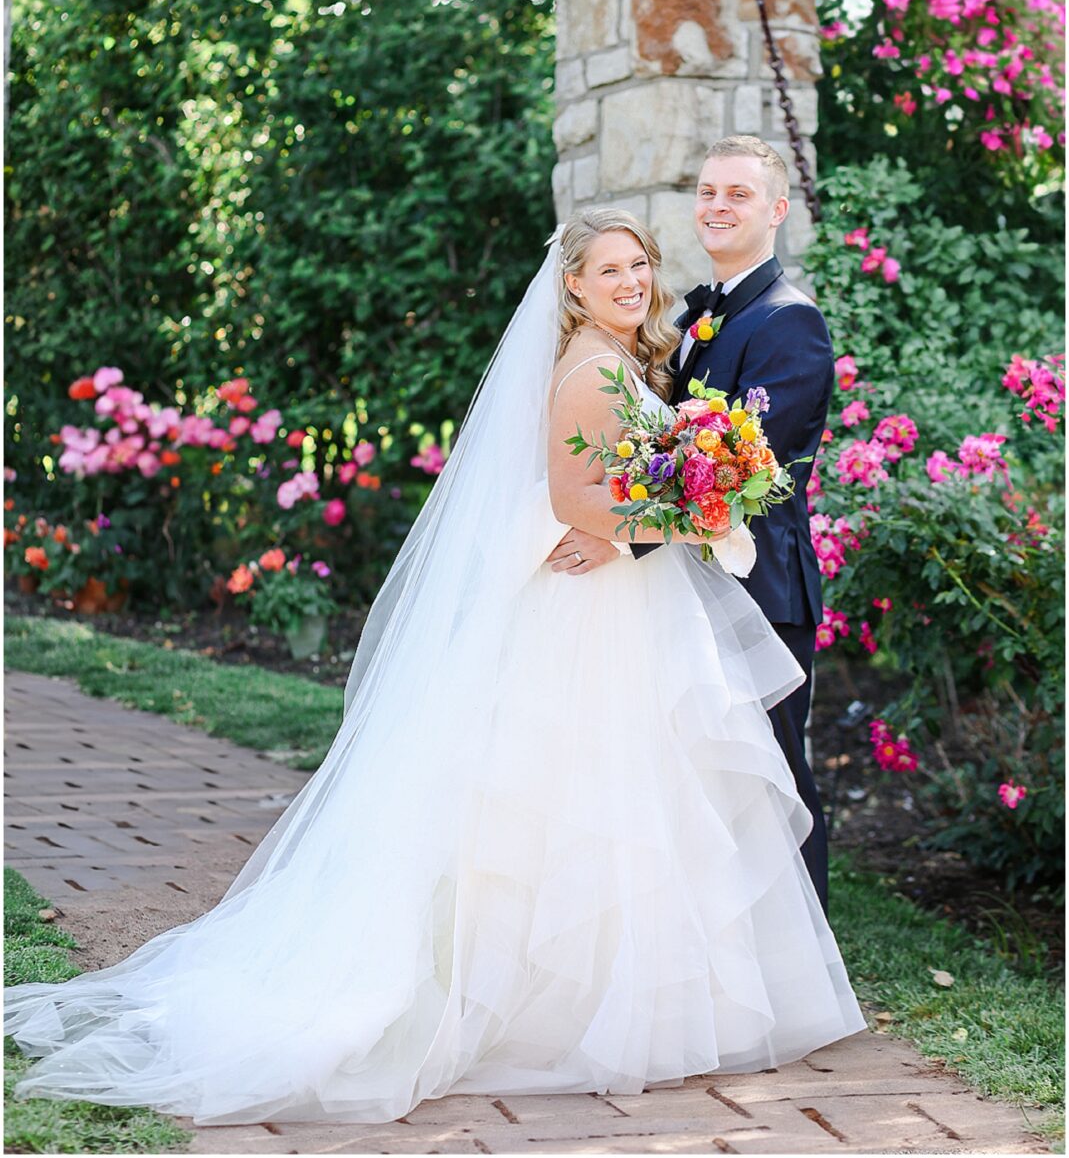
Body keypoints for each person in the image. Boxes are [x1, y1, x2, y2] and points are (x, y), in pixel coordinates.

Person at [6, 208, 863, 1126]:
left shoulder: (615, 363)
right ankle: (558, 1008)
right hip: (590, 619)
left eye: (639, 266)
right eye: (609, 269)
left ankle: (630, 1000)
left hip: (616, 602)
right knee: (587, 799)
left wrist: (667, 517)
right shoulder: (589, 370)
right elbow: (577, 497)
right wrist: (687, 520)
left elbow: (603, 500)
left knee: (633, 795)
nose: (630, 283)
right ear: (570, 285)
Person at [549, 142, 835, 911]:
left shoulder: (789, 323)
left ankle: (808, 960)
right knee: (709, 780)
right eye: (707, 190)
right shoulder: (694, 316)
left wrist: (617, 533)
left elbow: (747, 474)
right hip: (688, 584)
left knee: (771, 776)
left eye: (737, 194)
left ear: (776, 210)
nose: (716, 204)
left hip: (761, 587)